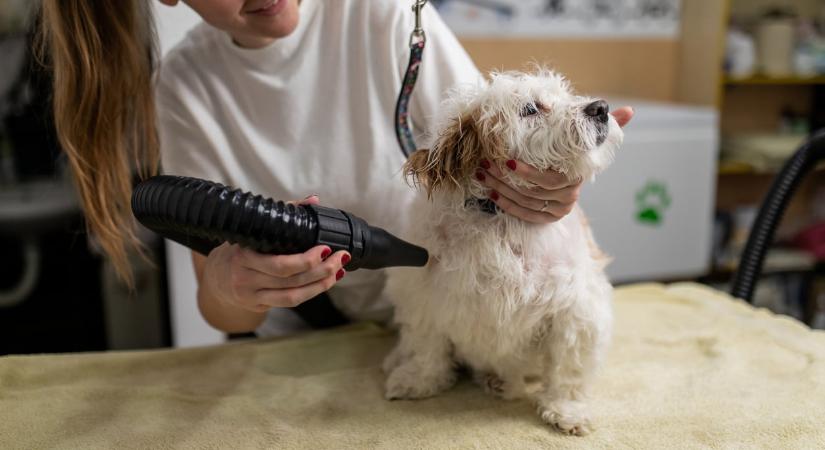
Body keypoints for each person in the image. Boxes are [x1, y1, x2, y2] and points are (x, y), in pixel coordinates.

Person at [39, 0, 633, 337]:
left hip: (439, 327)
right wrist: (231, 287)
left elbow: (502, 155)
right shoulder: (186, 88)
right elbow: (218, 309)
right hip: (308, 343)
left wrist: (550, 191)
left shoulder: (389, 15)